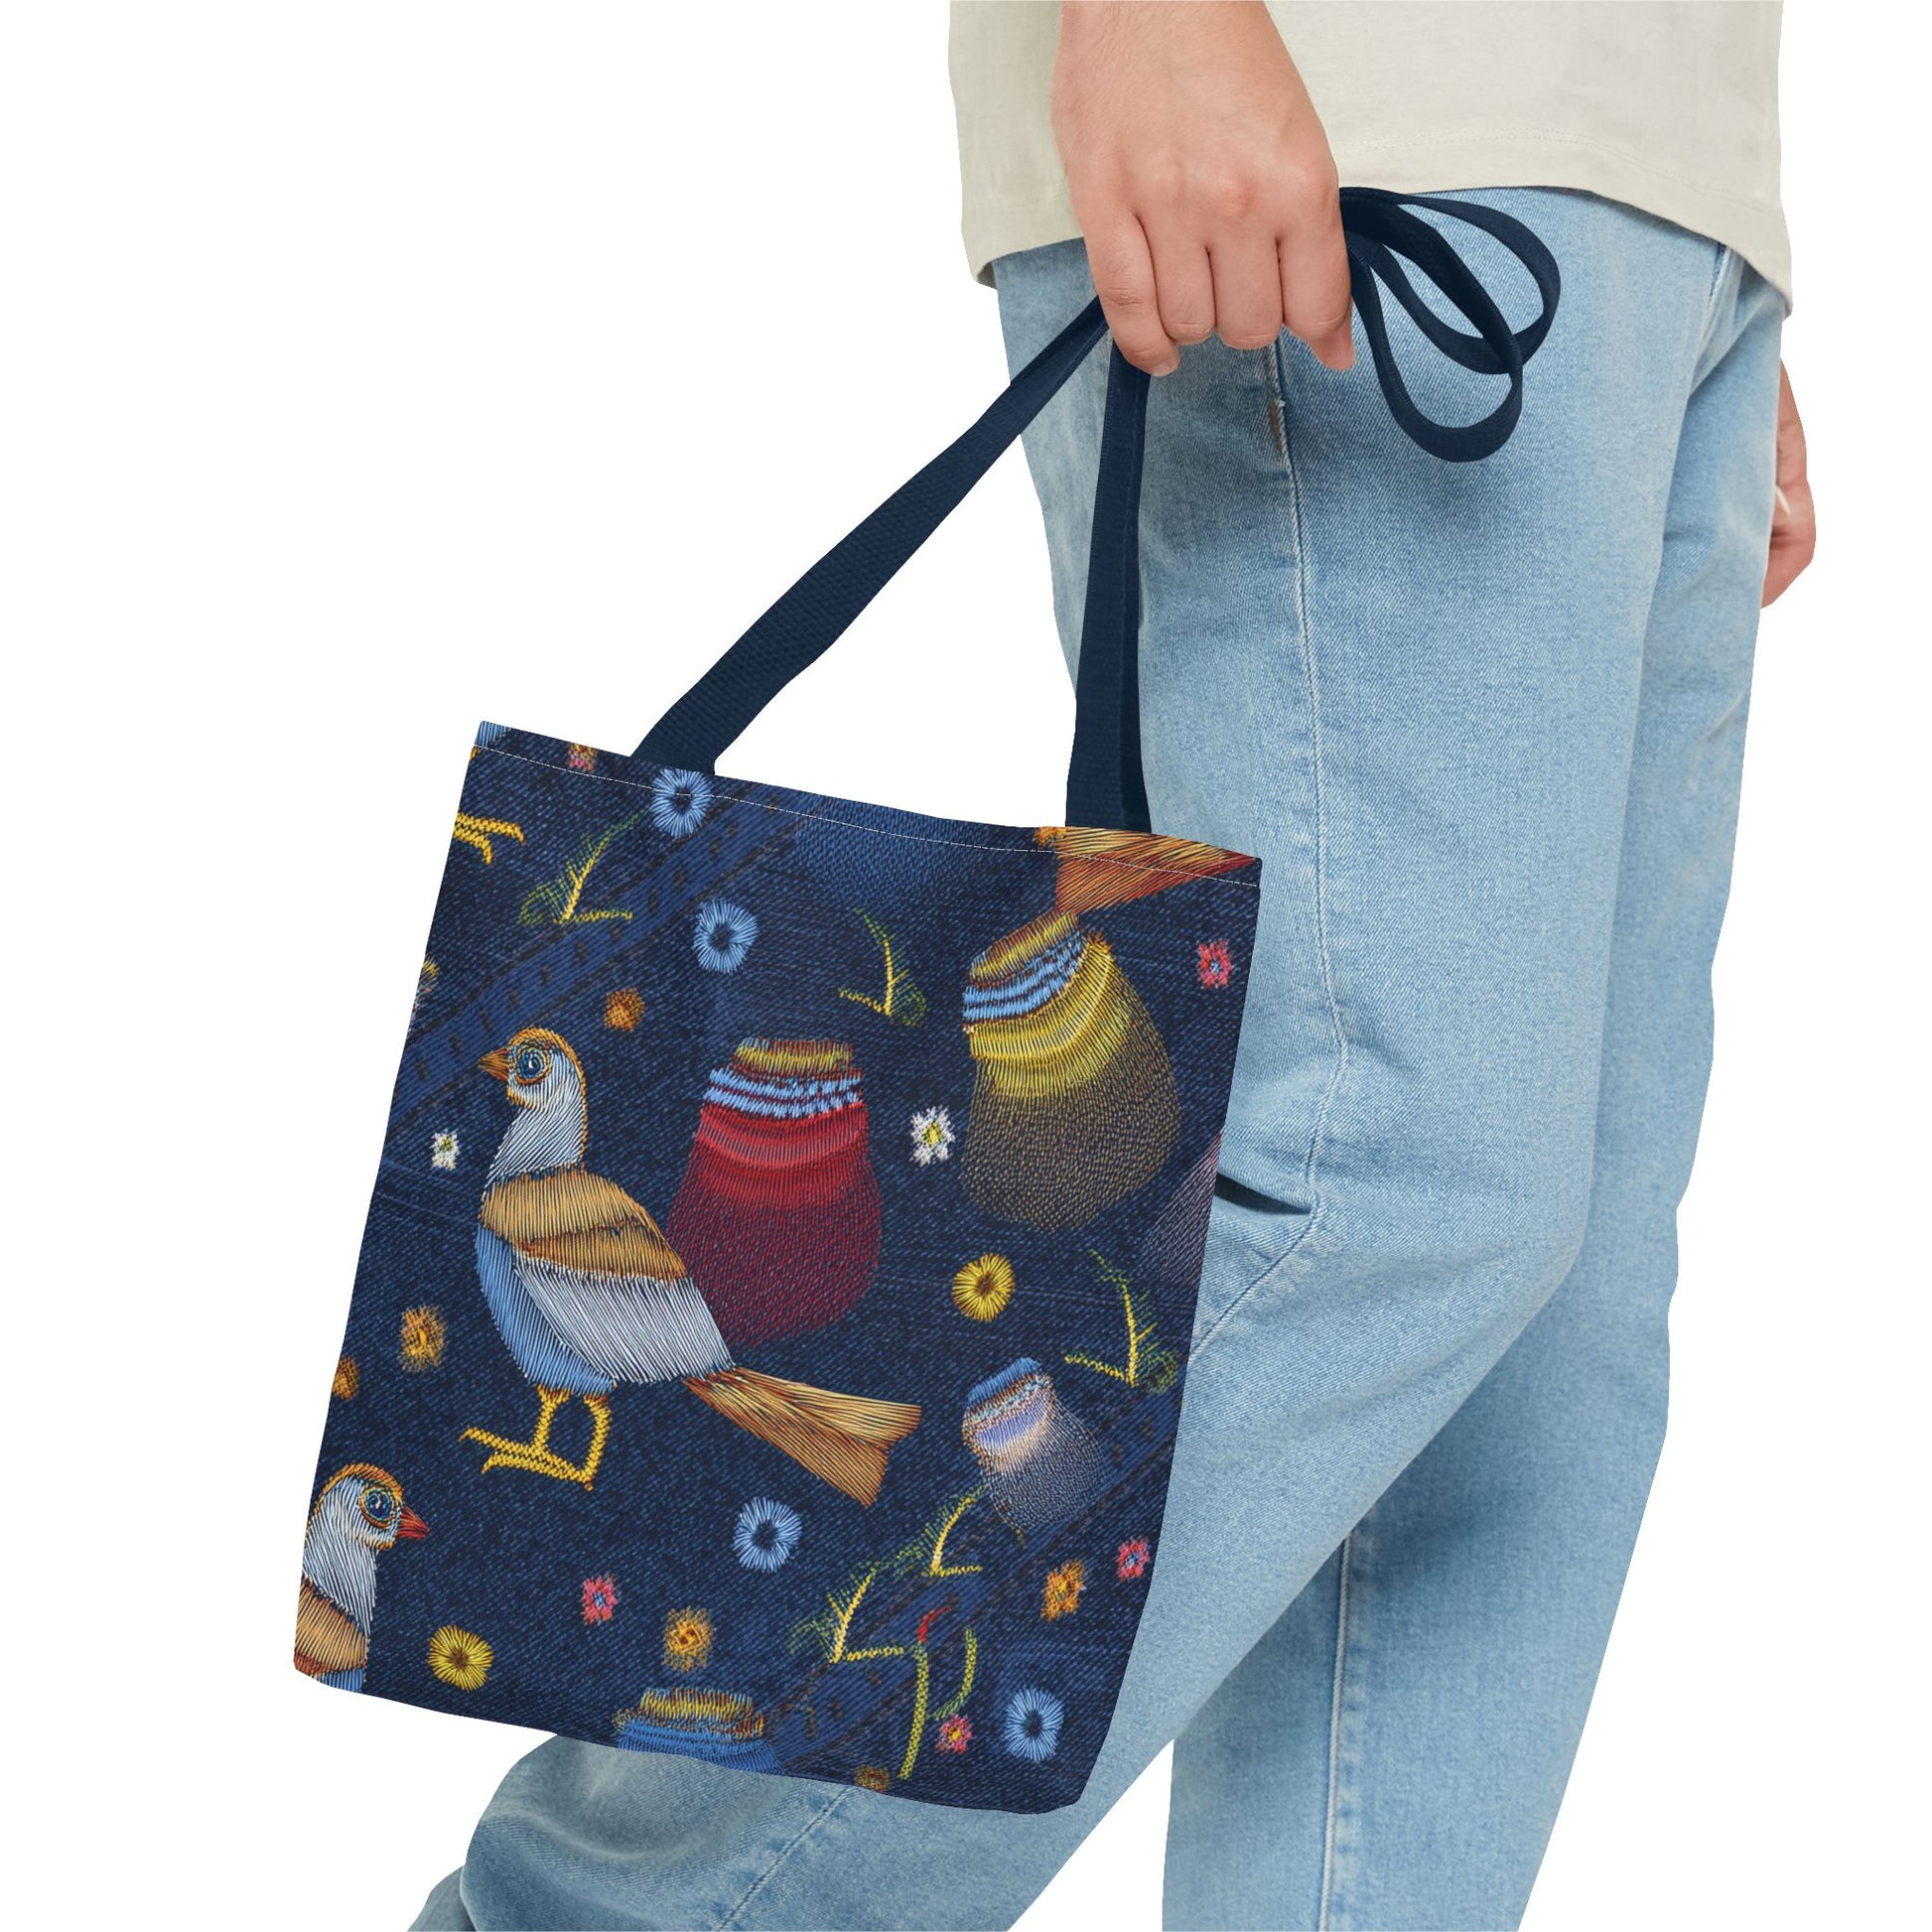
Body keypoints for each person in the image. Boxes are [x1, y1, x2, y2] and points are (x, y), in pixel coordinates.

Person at [414, 4, 1813, 1926]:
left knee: (1533, 1355)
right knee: (1380, 1188)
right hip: (1362, 111)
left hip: (1638, 190)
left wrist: (1694, 234)